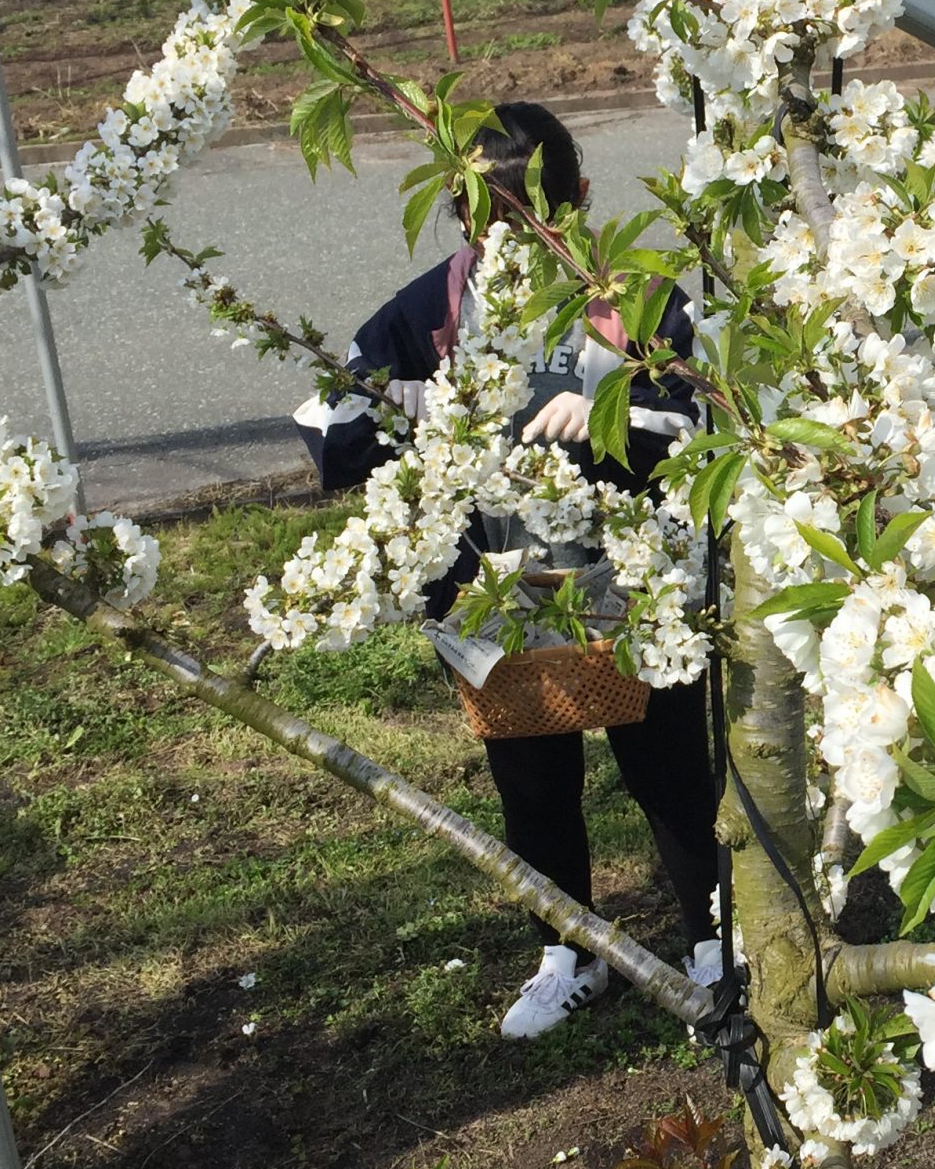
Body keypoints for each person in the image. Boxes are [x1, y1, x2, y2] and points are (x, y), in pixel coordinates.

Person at [295, 102, 723, 1034]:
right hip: (500, 590)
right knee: (531, 780)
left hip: (637, 579)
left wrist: (616, 404)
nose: (523, 246)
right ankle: (570, 949)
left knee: (672, 770)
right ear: (461, 219)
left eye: (543, 221)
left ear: (581, 200)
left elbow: (706, 418)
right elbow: (328, 416)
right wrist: (398, 405)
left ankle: (709, 939)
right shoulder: (430, 312)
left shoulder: (640, 303)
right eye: (497, 227)